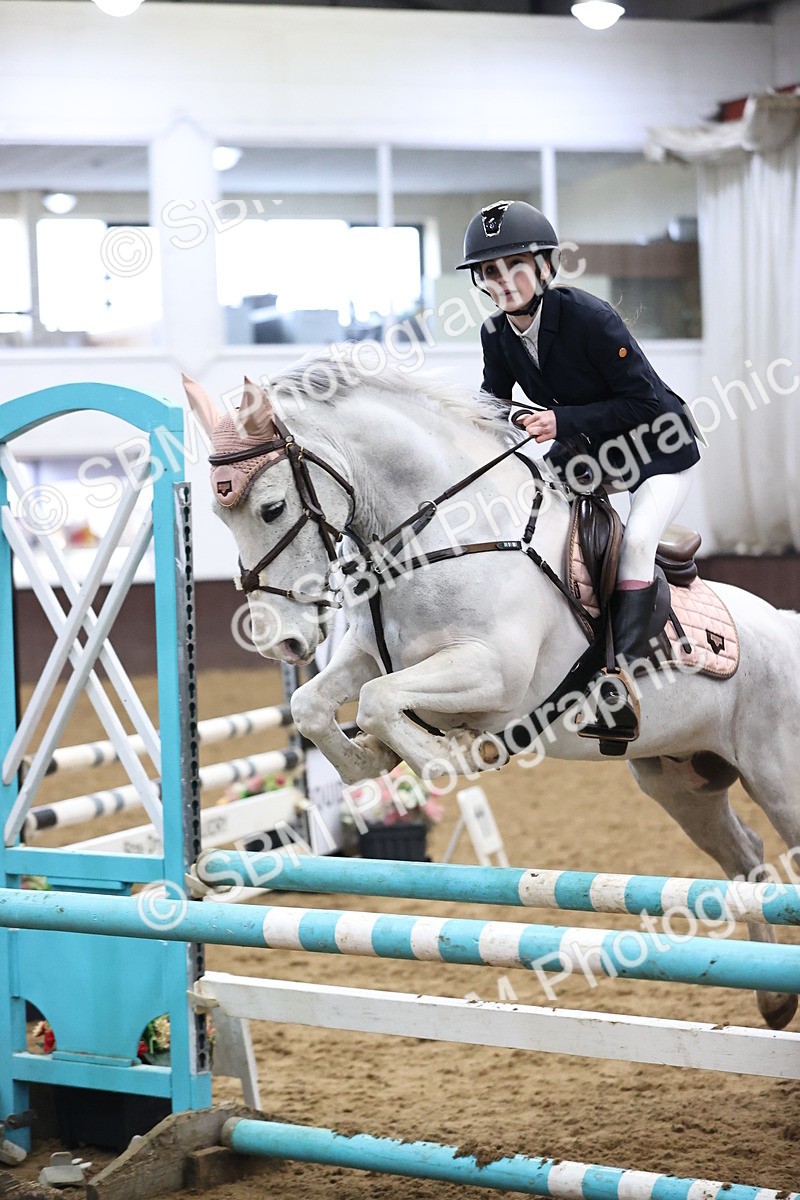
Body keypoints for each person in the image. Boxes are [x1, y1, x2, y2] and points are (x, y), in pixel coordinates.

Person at [457, 199, 701, 742]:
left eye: (516, 265)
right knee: (536, 522)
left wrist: (558, 420)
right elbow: (492, 401)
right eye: (490, 270)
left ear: (544, 267)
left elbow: (643, 402)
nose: (503, 280)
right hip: (589, 454)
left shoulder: (591, 317)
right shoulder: (496, 334)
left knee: (637, 540)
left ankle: (622, 679)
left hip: (659, 447)